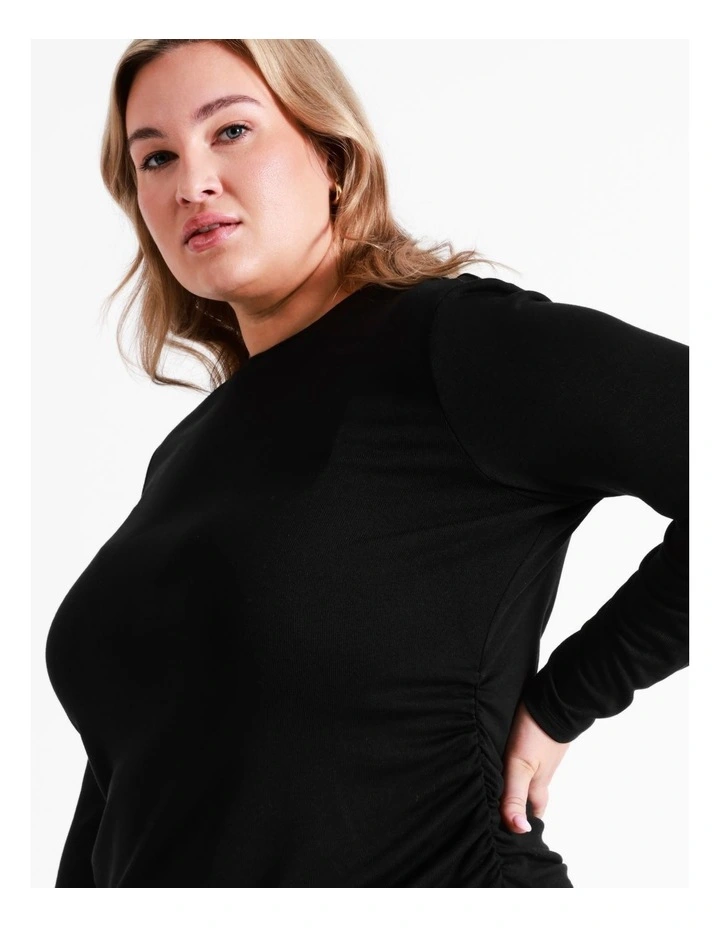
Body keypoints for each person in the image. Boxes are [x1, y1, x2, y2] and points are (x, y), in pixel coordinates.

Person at [44, 39, 689, 888]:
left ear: (332, 155)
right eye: (155, 158)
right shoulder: (187, 456)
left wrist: (566, 700)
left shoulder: (453, 345)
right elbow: (127, 793)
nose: (190, 182)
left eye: (230, 131)